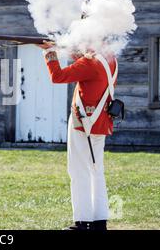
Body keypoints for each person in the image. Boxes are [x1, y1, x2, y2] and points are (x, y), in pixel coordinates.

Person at [36, 41, 117, 231]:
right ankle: (99, 221)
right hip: (99, 121)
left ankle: (83, 221)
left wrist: (50, 53)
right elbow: (82, 59)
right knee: (96, 170)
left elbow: (58, 76)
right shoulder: (109, 55)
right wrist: (59, 45)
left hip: (84, 123)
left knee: (79, 170)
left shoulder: (90, 63)